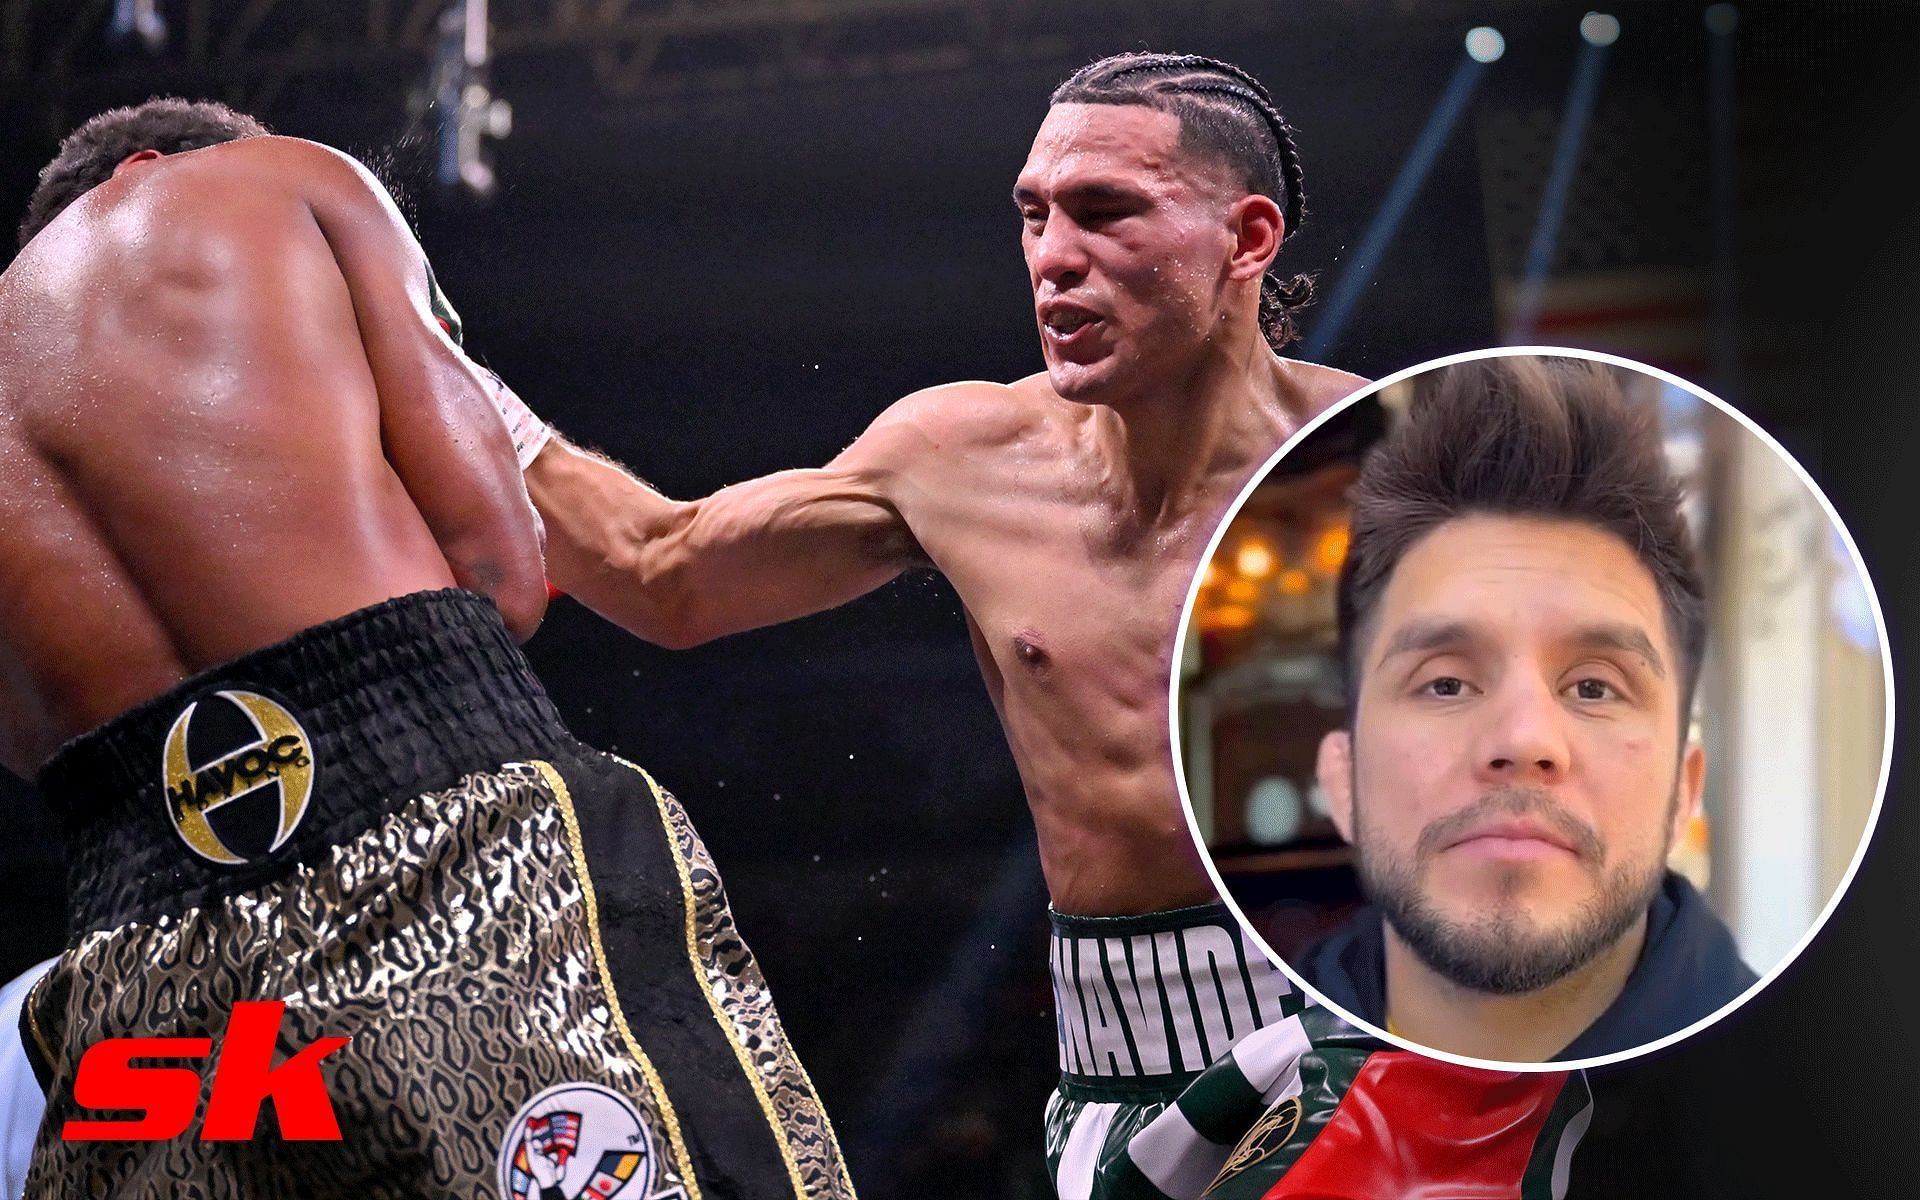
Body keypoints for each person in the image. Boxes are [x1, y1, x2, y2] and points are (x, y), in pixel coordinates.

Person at [491, 53, 1584, 1195]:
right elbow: (665, 575)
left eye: (1106, 212)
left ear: (1247, 239)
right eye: (1033, 215)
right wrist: (426, 351)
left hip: (1380, 1021)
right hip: (1108, 1064)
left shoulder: (1411, 475)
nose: (1055, 256)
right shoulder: (957, 460)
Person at [0, 99, 849, 1199]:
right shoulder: (278, 181)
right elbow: (499, 572)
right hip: (443, 849)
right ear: (154, 169)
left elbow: (28, 744)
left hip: (139, 970)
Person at [1301, 354, 1759, 1062]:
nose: (1522, 739)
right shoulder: (1217, 1115)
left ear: (1683, 793)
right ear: (1343, 780)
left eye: (1594, 687)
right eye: (1446, 683)